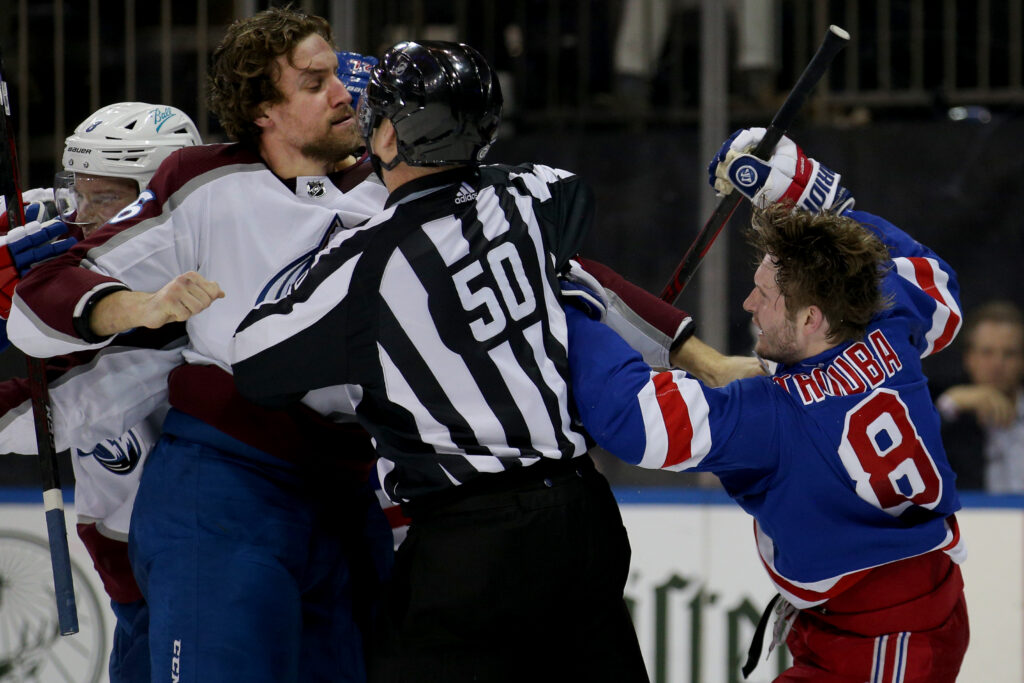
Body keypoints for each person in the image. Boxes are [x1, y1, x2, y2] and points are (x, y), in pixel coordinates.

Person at [228, 40, 656, 682]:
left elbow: (254, 361)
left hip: (472, 542)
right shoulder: (525, 198)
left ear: (391, 136)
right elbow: (570, 195)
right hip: (582, 511)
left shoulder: (364, 264)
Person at [6, 8, 395, 682]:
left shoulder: (382, 197)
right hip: (221, 503)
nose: (342, 94)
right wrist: (132, 304)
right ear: (263, 109)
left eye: (337, 76)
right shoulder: (202, 187)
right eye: (315, 81)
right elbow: (46, 315)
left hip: (340, 500)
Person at [561, 128, 969, 681]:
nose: (748, 302)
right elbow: (937, 288)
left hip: (885, 638)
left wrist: (569, 312)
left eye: (766, 296)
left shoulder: (771, 416)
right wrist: (808, 199)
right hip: (890, 610)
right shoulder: (888, 320)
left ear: (810, 319)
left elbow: (636, 420)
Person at [0, 100, 200, 683]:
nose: (83, 216)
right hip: (135, 576)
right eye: (77, 191)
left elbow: (27, 416)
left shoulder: (174, 322)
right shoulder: (67, 232)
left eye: (106, 199)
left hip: (179, 576)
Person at [936, 300, 1024, 491]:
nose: (997, 364)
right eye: (987, 352)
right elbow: (914, 450)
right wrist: (950, 403)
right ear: (969, 358)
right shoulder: (953, 413)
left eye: (1009, 353)